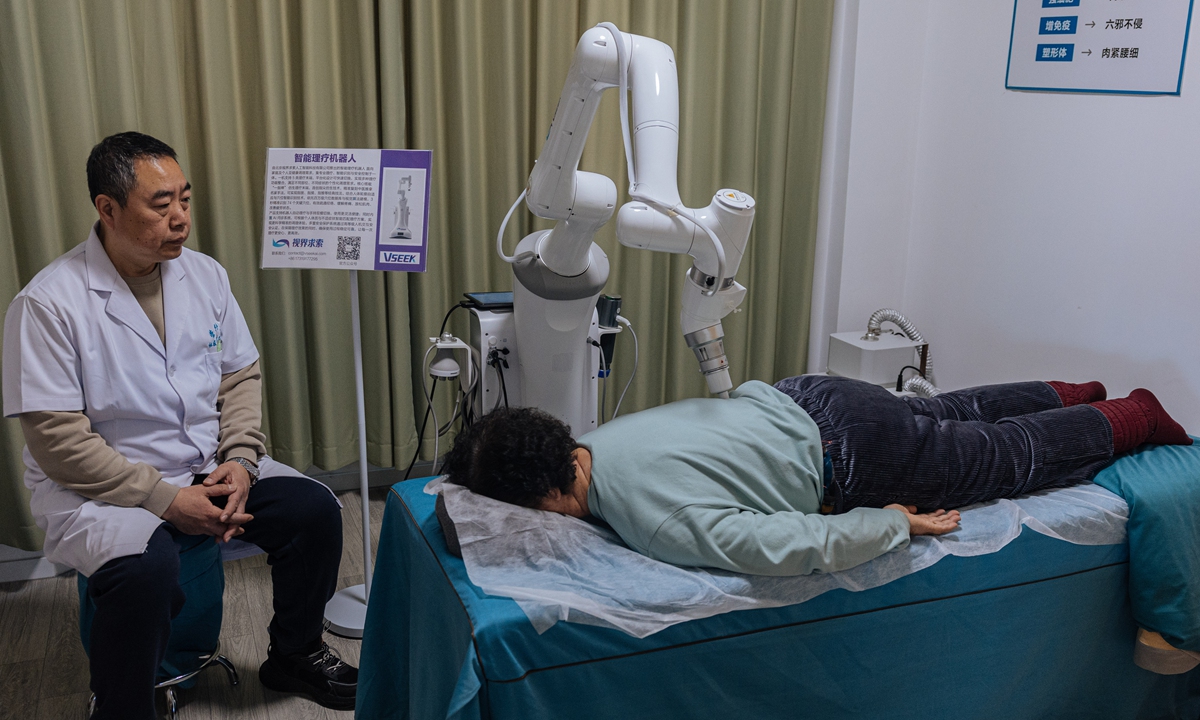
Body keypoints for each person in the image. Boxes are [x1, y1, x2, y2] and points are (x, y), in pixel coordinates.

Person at [1, 132, 357, 717]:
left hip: (210, 466)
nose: (181, 219)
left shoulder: (206, 277)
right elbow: (58, 442)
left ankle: (294, 652)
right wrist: (165, 500)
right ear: (107, 208)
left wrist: (240, 462)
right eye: (160, 205)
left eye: (185, 201)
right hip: (107, 491)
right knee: (147, 571)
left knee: (315, 512)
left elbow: (240, 377)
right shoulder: (49, 303)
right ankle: (123, 705)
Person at [443, 375, 1191, 577]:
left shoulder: (652, 522)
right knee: (957, 413)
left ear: (547, 497)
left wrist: (893, 523)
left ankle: (1132, 412)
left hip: (853, 460)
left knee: (1006, 458)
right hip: (812, 395)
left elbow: (790, 544)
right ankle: (1074, 392)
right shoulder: (606, 435)